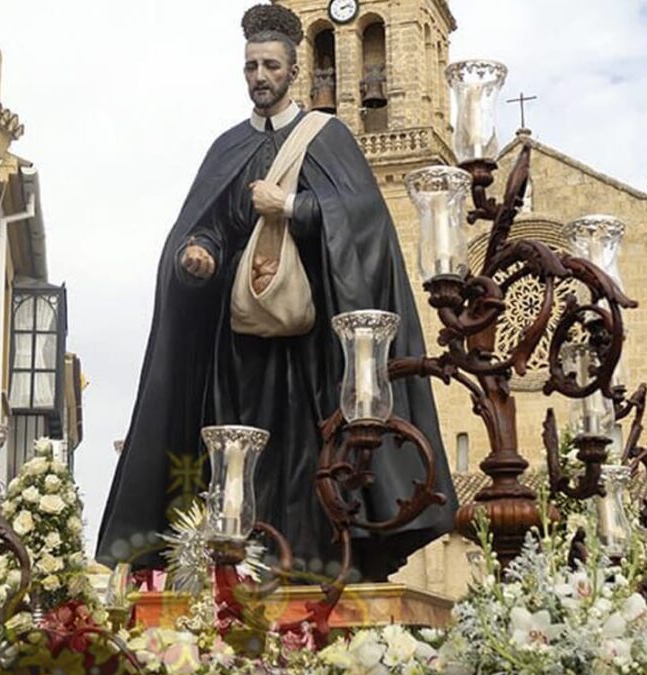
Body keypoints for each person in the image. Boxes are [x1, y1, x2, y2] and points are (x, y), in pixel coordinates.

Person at [97, 3, 457, 582]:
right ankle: (236, 572)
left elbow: (363, 223)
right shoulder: (227, 149)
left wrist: (289, 206)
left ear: (294, 72)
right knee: (239, 454)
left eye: (269, 65)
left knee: (308, 458)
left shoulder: (329, 137)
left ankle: (312, 569)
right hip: (240, 348)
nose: (259, 76)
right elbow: (205, 226)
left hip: (311, 350)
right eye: (250, 67)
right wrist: (198, 256)